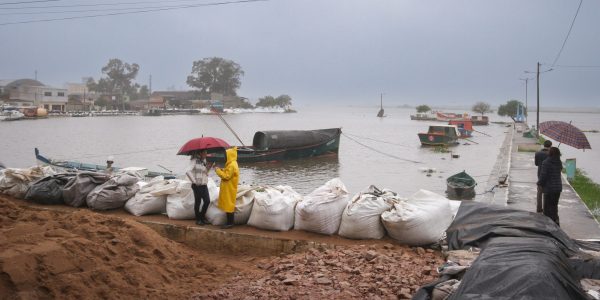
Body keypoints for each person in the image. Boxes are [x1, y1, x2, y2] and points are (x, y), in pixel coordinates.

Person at [186, 150, 213, 225]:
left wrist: (208, 167)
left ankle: (202, 216)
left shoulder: (203, 161)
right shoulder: (194, 161)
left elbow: (205, 173)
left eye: (206, 152)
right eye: (204, 153)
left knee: (207, 201)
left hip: (204, 184)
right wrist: (194, 181)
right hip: (197, 185)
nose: (206, 154)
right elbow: (188, 171)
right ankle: (198, 219)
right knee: (198, 202)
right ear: (200, 153)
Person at [537, 147, 563, 226]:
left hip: (549, 188)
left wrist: (539, 183)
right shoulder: (559, 162)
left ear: (550, 153)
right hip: (558, 188)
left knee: (547, 208)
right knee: (554, 206)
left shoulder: (546, 162)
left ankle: (548, 225)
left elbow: (543, 176)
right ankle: (556, 221)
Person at [215, 147, 239, 229]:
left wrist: (218, 171)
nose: (225, 157)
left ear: (229, 155)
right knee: (229, 204)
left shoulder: (231, 165)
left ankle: (230, 223)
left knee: (229, 205)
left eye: (226, 155)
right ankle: (229, 222)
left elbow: (226, 176)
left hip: (229, 188)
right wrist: (223, 169)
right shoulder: (233, 163)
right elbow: (229, 172)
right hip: (230, 188)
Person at [534, 140, 552, 213]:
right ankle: (546, 209)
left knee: (539, 192)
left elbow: (536, 164)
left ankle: (539, 208)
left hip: (540, 174)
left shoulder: (537, 153)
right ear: (550, 146)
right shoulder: (551, 154)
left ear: (544, 145)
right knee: (547, 192)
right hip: (549, 175)